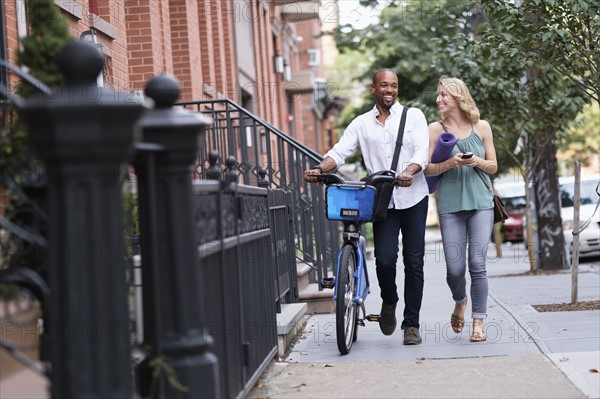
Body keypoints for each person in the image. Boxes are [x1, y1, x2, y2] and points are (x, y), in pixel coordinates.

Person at [304, 68, 430, 345]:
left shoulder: (414, 117)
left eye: (394, 86)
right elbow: (339, 152)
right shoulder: (361, 123)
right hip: (383, 200)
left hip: (414, 198)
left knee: (414, 262)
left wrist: (409, 171)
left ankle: (411, 324)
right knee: (385, 260)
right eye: (384, 85)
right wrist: (319, 168)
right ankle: (390, 300)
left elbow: (422, 151)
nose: (390, 90)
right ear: (374, 88)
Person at [424, 76, 498, 342]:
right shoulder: (435, 129)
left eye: (444, 94)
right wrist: (449, 164)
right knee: (454, 269)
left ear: (458, 97)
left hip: (481, 204)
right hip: (450, 206)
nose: (439, 99)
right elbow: (426, 169)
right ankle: (460, 300)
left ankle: (479, 322)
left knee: (477, 265)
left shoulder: (482, 127)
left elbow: (493, 166)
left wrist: (476, 160)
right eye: (438, 95)